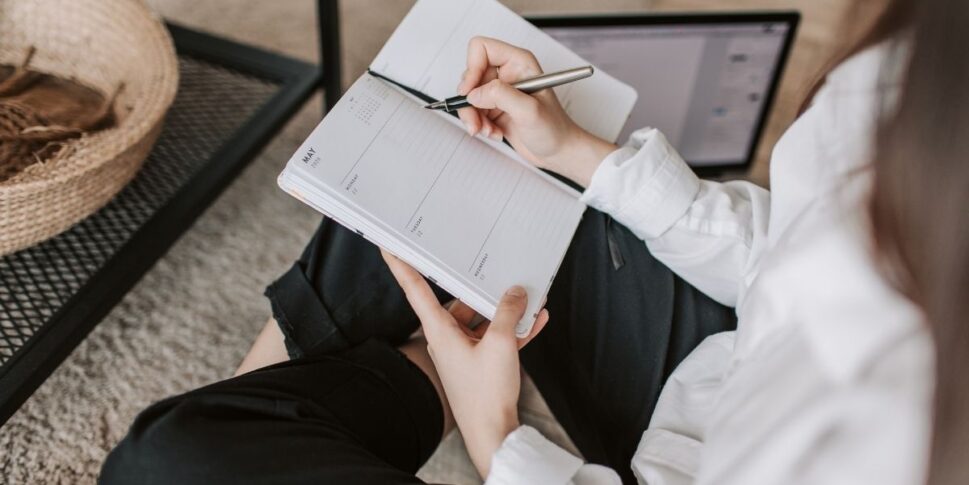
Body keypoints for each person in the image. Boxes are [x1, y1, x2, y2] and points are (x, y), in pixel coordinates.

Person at [100, 0, 968, 483]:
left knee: (164, 460)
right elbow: (788, 250)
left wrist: (500, 435)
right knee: (461, 165)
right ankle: (396, 369)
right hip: (729, 358)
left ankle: (386, 380)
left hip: (696, 455)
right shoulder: (919, 67)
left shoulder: (905, 439)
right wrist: (580, 157)